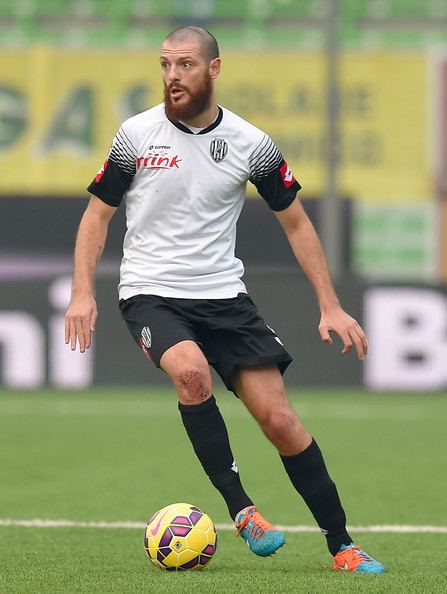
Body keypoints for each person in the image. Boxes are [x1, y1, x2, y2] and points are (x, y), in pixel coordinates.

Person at [65, 26, 384, 573]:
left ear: (214, 68)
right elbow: (97, 215)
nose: (172, 76)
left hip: (224, 298)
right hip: (151, 292)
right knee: (190, 373)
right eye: (165, 64)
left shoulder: (251, 143)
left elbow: (298, 224)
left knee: (280, 421)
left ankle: (343, 545)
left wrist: (330, 305)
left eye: (185, 64)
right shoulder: (135, 135)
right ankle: (243, 511)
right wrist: (80, 294)